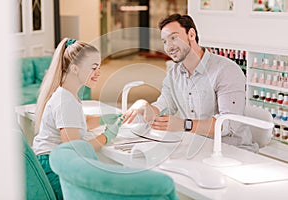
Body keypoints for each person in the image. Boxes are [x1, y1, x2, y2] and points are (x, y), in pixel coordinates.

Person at [122, 14, 258, 152]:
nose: (169, 47)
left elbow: (228, 125)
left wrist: (185, 125)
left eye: (173, 38)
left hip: (233, 152)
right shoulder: (174, 74)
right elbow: (165, 105)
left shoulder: (226, 70)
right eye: (164, 41)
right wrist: (146, 107)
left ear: (191, 34)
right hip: (197, 147)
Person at [32, 38, 122, 200]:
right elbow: (74, 148)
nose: (99, 72)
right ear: (74, 68)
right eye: (94, 68)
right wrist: (106, 137)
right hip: (53, 166)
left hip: (52, 160)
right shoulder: (65, 101)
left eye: (99, 67)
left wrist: (103, 119)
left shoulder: (67, 94)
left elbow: (77, 122)